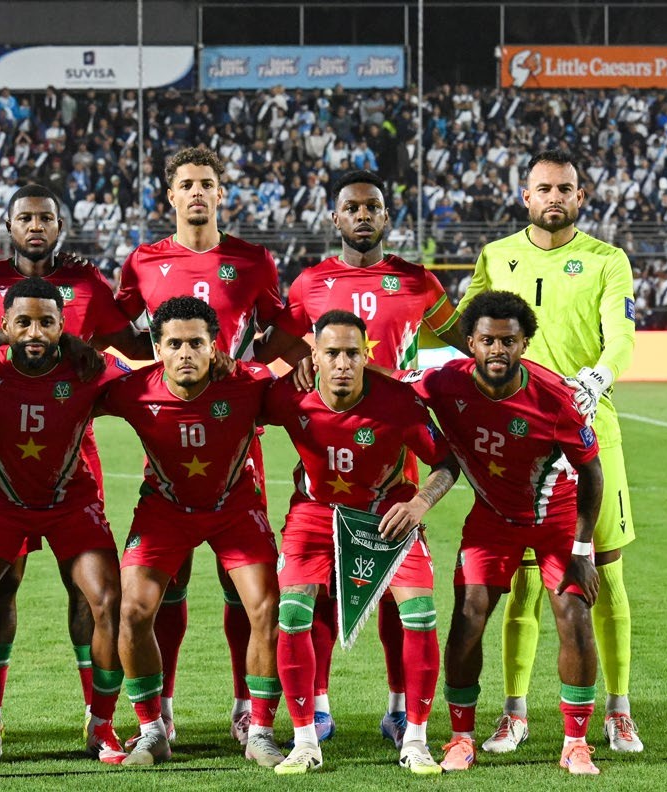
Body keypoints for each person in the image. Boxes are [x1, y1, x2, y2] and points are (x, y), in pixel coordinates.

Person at [253, 169, 467, 748]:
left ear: (386, 216)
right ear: (335, 218)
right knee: (318, 588)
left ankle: (399, 709)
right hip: (329, 450)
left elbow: (470, 342)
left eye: (373, 206)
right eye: (352, 207)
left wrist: (429, 384)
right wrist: (304, 360)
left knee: (395, 591)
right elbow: (268, 348)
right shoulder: (311, 283)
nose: (363, 215)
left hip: (396, 448)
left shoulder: (418, 282)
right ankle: (317, 707)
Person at [0, 183, 151, 731]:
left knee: (87, 593)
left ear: (61, 225)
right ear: (7, 224)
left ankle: (97, 716)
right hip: (5, 463)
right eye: (25, 218)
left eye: (46, 218)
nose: (36, 226)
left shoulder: (85, 281)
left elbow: (131, 352)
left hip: (73, 459)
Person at [462, 149, 641, 753]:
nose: (554, 196)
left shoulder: (606, 260)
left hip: (592, 434)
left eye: (565, 188)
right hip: (519, 444)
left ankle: (617, 708)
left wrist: (599, 376)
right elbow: (466, 323)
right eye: (544, 188)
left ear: (580, 196)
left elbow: (621, 332)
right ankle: (515, 712)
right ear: (525, 195)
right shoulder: (496, 256)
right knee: (526, 584)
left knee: (603, 575)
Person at [114, 146, 284, 744]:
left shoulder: (253, 260)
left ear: (221, 193)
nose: (196, 193)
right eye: (185, 183)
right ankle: (161, 713)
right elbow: (117, 329)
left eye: (206, 184)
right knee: (170, 585)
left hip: (239, 439)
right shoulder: (143, 261)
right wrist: (151, 376)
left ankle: (247, 706)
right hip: (170, 440)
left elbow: (283, 330)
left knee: (248, 593)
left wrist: (250, 382)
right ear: (170, 194)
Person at [403, 290, 603, 775]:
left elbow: (593, 472)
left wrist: (582, 549)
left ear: (524, 344)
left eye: (509, 341)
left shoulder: (556, 398)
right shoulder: (442, 381)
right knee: (468, 616)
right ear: (469, 342)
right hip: (491, 519)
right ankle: (460, 737)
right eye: (487, 340)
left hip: (554, 519)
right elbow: (391, 388)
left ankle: (576, 742)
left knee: (573, 613)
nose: (498, 350)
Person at [0, 277, 129, 767]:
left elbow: (148, 381)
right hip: (0, 503)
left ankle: (103, 725)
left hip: (72, 503)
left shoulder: (89, 368)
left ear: (63, 326)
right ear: (4, 325)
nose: (35, 332)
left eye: (47, 322)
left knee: (108, 600)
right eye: (22, 321)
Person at [262, 310, 458, 775]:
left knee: (420, 615)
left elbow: (448, 461)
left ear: (366, 355)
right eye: (332, 353)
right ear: (315, 356)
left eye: (353, 353)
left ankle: (416, 739)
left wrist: (420, 505)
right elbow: (232, 402)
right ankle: (305, 741)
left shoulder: (399, 402)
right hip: (313, 516)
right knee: (291, 616)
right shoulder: (289, 395)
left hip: (385, 517)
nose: (344, 363)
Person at [101, 296, 283, 768]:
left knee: (265, 607)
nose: (186, 352)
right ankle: (151, 730)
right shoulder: (133, 389)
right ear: (157, 348)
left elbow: (311, 397)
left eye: (196, 343)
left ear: (214, 346)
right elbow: (72, 388)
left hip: (234, 508)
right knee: (134, 610)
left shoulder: (249, 385)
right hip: (164, 509)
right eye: (175, 343)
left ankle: (260, 729)